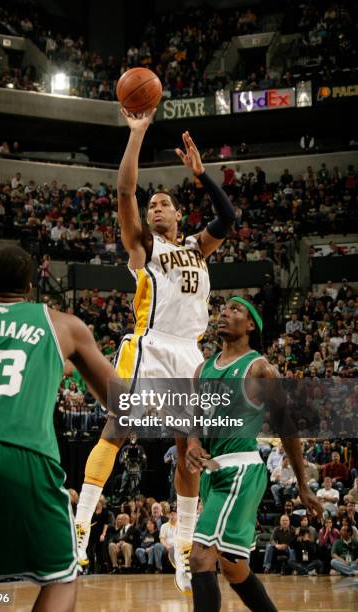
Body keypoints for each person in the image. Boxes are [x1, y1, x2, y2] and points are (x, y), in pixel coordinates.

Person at [75, 111, 235, 596]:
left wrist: (203, 175)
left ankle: (183, 550)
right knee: (119, 426)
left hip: (191, 354)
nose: (158, 206)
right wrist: (137, 134)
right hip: (151, 343)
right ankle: (80, 529)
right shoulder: (142, 246)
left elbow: (228, 218)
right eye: (154, 205)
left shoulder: (195, 247)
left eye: (166, 202)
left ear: (179, 215)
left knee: (190, 450)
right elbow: (125, 193)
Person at [0, 247, 119, 611]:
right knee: (62, 577)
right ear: (30, 288)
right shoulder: (62, 324)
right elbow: (119, 400)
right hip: (24, 455)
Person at [183, 297, 323, 612]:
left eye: (236, 310)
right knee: (234, 568)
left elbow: (286, 427)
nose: (224, 313)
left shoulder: (260, 368)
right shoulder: (201, 369)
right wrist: (193, 444)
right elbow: (193, 419)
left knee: (200, 557)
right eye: (223, 309)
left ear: (250, 325)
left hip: (240, 471)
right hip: (212, 473)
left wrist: (302, 485)